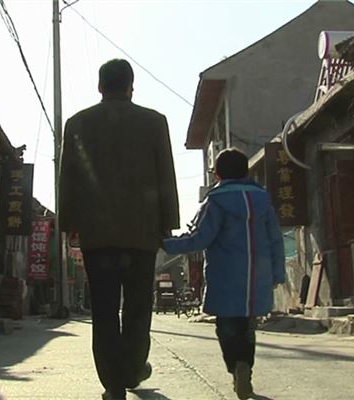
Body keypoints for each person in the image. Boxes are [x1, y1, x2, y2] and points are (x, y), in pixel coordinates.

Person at [59, 58, 180, 400]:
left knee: (105, 310)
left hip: (97, 236)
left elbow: (69, 177)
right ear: (131, 87)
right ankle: (132, 368)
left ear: (100, 87)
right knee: (139, 307)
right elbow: (165, 174)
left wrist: (69, 223)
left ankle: (113, 384)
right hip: (142, 233)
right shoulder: (154, 122)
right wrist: (168, 223)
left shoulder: (77, 123)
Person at [162, 147, 285, 400]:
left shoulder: (215, 201)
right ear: (246, 171)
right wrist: (277, 274)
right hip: (257, 278)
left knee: (227, 328)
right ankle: (245, 366)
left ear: (217, 174)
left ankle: (235, 366)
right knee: (247, 328)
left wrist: (166, 244)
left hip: (225, 278)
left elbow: (199, 238)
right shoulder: (263, 200)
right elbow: (276, 240)